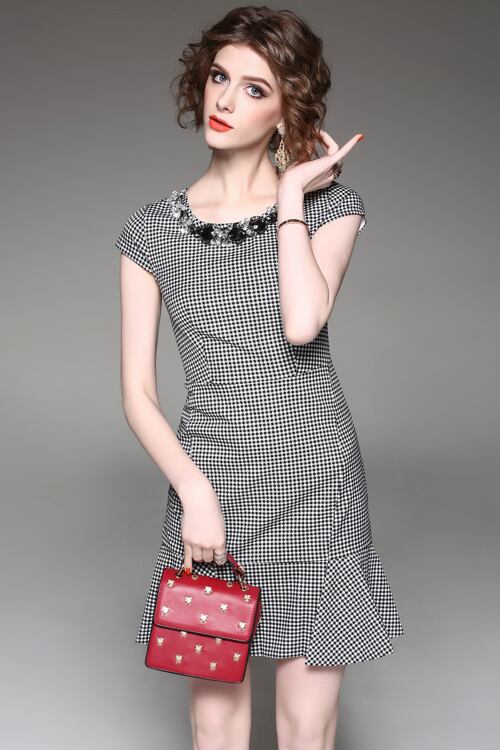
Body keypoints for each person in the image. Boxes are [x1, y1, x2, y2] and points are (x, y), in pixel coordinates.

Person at [115, 6, 404, 749]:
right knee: (214, 722)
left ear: (286, 109)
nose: (224, 99)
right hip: (209, 480)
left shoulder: (330, 208)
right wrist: (194, 492)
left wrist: (290, 200)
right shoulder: (151, 230)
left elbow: (302, 323)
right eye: (219, 77)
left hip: (316, 480)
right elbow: (137, 394)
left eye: (254, 88)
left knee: (307, 727)